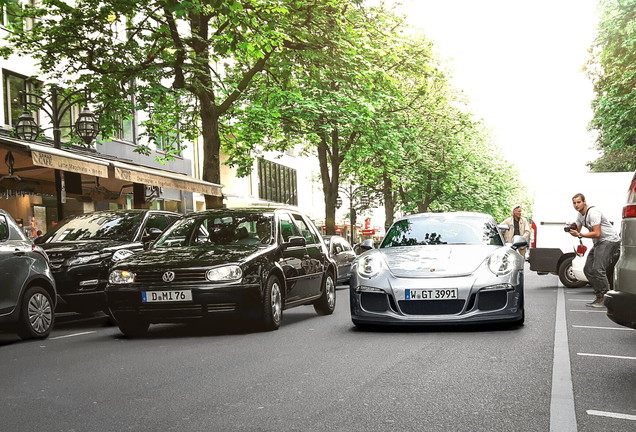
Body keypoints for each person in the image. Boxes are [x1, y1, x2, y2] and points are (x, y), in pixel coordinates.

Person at [568, 193, 620, 308]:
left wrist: (579, 234)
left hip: (609, 240)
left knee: (598, 269)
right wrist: (571, 228)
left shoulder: (593, 213)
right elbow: (578, 227)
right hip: (598, 243)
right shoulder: (580, 215)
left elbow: (597, 233)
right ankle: (599, 296)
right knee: (588, 269)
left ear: (584, 202)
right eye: (574, 203)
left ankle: (607, 298)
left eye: (578, 202)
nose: (576, 205)